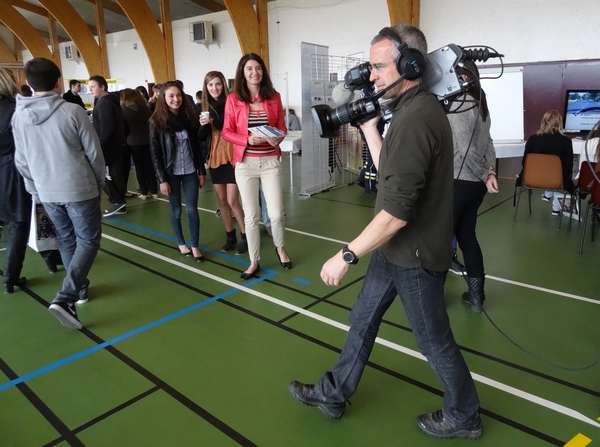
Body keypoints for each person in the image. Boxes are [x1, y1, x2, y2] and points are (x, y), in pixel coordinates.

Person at [288, 25, 481, 440]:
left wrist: (346, 254)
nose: (370, 75)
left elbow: (395, 212)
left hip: (413, 255)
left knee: (433, 341)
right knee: (362, 319)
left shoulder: (417, 119)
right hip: (394, 250)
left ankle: (465, 414)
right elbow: (391, 173)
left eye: (377, 66)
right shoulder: (410, 110)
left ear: (411, 65)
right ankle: (334, 393)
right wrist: (371, 128)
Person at [13, 58, 105, 329]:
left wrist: (35, 188)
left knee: (66, 239)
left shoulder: (18, 116)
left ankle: (80, 290)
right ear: (58, 82)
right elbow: (94, 154)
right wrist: (99, 185)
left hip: (47, 191)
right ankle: (66, 296)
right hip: (79, 188)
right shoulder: (72, 112)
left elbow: (21, 160)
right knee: (88, 241)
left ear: (29, 83)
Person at [222, 53, 291, 280]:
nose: (255, 72)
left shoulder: (274, 97)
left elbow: (281, 127)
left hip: (271, 161)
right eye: (250, 68)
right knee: (251, 216)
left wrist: (276, 138)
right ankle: (254, 261)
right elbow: (226, 132)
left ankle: (280, 248)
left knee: (276, 214)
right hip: (246, 163)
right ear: (243, 72)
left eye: (258, 68)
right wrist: (245, 139)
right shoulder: (233, 99)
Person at [447, 60, 499, 313]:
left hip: (458, 183)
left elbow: (464, 151)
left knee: (440, 240)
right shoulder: (481, 102)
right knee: (467, 236)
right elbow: (488, 142)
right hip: (474, 186)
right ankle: (477, 297)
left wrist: (484, 174)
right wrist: (489, 172)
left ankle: (431, 297)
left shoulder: (459, 104)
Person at [149, 81, 206, 261]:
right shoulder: (156, 122)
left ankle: (195, 245)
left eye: (179, 95)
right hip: (171, 173)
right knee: (176, 211)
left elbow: (196, 146)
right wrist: (161, 179)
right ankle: (181, 243)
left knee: (191, 210)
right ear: (163, 98)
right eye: (171, 96)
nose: (176, 99)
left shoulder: (189, 118)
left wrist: (201, 171)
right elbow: (155, 152)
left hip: (190, 171)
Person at [198, 71, 248, 255]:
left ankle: (246, 236)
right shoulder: (202, 106)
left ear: (224, 85)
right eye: (210, 85)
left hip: (231, 153)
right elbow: (200, 136)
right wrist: (203, 125)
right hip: (214, 156)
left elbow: (227, 125)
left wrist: (212, 121)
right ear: (206, 87)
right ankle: (230, 235)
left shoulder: (231, 102)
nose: (214, 88)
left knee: (233, 200)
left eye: (218, 84)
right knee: (221, 201)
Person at [517, 110, 574, 215]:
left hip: (532, 179)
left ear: (543, 122)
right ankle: (556, 208)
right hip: (557, 181)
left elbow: (524, 162)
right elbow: (568, 166)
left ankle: (549, 196)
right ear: (560, 123)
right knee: (565, 176)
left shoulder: (532, 139)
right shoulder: (566, 142)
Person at [89, 75, 128, 217]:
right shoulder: (111, 101)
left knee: (100, 173)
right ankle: (120, 201)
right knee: (115, 173)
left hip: (109, 146)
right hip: (117, 144)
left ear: (102, 87)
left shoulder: (104, 103)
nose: (90, 89)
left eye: (93, 86)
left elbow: (107, 128)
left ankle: (117, 200)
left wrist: (99, 146)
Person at [120, 88, 157, 199]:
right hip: (147, 140)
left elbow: (124, 128)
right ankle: (154, 191)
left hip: (133, 141)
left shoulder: (123, 110)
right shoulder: (145, 107)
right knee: (149, 166)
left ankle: (144, 192)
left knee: (139, 167)